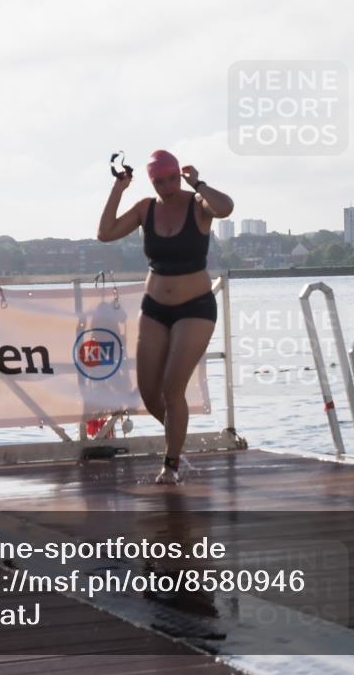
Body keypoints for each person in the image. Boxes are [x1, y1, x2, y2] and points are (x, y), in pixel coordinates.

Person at [97, 150, 233, 484]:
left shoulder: (197, 203)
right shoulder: (146, 208)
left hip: (195, 308)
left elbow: (226, 207)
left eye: (172, 178)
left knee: (174, 387)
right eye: (159, 181)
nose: (167, 186)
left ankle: (170, 464)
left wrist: (198, 183)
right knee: (148, 391)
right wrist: (119, 189)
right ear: (151, 181)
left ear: (179, 176)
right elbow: (106, 232)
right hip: (155, 308)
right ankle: (179, 438)